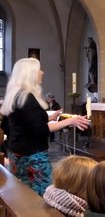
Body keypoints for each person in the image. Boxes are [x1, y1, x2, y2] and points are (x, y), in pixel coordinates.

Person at [0, 58, 90, 195]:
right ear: (30, 74)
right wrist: (70, 121)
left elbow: (15, 124)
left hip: (16, 153)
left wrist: (49, 117)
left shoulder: (15, 96)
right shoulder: (27, 98)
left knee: (21, 194)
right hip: (32, 157)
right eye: (39, 70)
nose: (42, 72)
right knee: (40, 196)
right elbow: (40, 130)